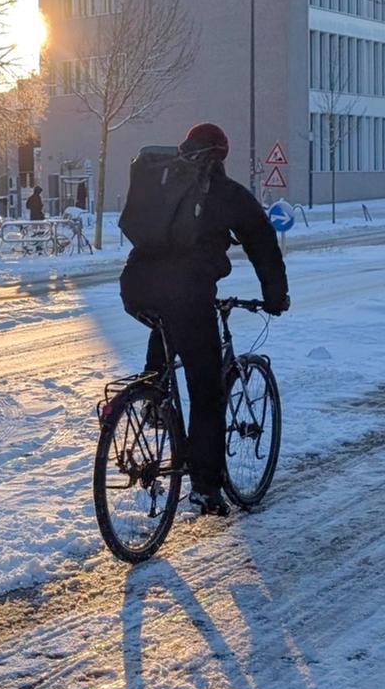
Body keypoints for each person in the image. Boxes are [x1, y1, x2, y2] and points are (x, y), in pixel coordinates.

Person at [119, 122, 288, 515]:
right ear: (220, 156)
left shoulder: (160, 178)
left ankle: (154, 395)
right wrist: (275, 297)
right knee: (206, 389)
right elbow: (263, 243)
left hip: (136, 285)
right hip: (188, 292)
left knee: (166, 324)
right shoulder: (225, 194)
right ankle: (206, 487)